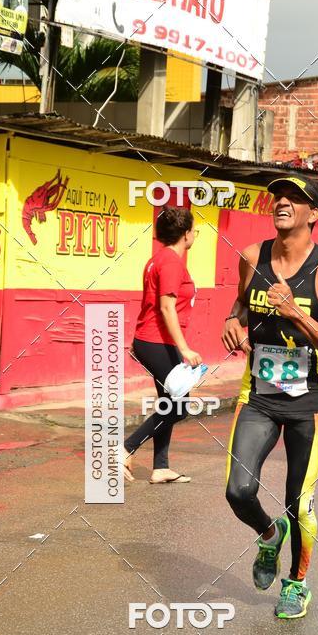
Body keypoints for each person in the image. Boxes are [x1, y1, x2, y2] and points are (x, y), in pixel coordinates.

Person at [222, 175, 318, 619]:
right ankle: (268, 534)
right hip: (258, 394)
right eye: (278, 196)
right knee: (238, 490)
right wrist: (233, 320)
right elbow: (242, 303)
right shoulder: (252, 256)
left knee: (299, 501)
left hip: (306, 403)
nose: (282, 202)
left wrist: (295, 312)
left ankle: (296, 585)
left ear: (313, 213)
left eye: (294, 198)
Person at [124, 207, 202, 484]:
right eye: (194, 230)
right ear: (185, 234)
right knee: (178, 408)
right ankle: (125, 449)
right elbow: (166, 307)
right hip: (158, 342)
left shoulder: (158, 259)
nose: (194, 234)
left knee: (168, 402)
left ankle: (161, 467)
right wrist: (185, 349)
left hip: (154, 341)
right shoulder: (171, 262)